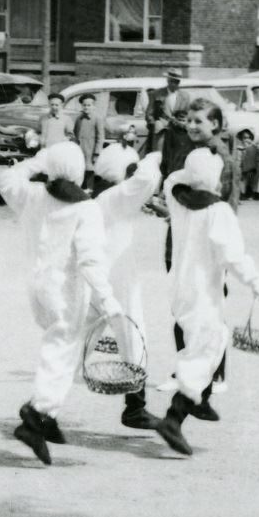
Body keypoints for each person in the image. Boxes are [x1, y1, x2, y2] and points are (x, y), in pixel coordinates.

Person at [0, 140, 123, 462]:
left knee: (61, 344)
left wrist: (38, 161)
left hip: (37, 286)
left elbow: (6, 179)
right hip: (66, 290)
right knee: (62, 348)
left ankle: (48, 414)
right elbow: (90, 260)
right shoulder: (85, 207)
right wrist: (108, 299)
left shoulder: (36, 195)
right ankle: (37, 413)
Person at [154, 146, 259, 453]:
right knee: (208, 345)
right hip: (204, 288)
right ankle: (175, 415)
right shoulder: (218, 211)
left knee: (207, 337)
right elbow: (232, 255)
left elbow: (170, 180)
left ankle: (201, 399)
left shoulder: (178, 200)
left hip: (179, 286)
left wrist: (192, 171)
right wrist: (256, 281)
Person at [89, 142, 167, 431]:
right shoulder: (115, 196)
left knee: (76, 341)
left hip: (94, 278)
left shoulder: (100, 197)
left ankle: (42, 407)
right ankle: (136, 407)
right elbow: (146, 179)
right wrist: (157, 153)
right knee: (133, 334)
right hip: (117, 277)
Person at [71, 93, 103, 173]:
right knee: (78, 169)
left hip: (90, 150)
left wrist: (97, 152)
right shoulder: (79, 118)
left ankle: (89, 185)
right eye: (84, 105)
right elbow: (75, 134)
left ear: (93, 106)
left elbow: (100, 137)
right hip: (79, 150)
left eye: (89, 105)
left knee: (89, 170)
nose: (86, 107)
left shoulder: (97, 118)